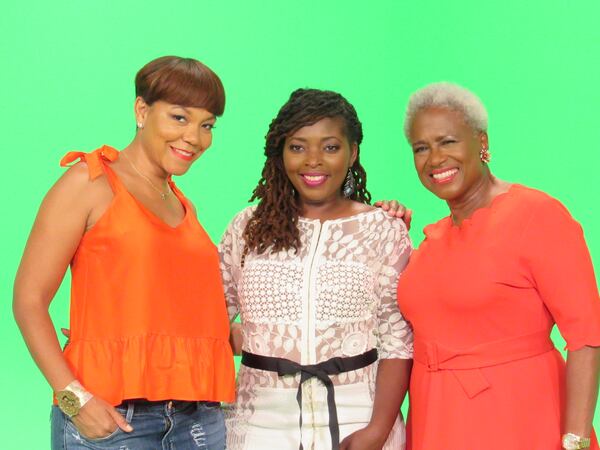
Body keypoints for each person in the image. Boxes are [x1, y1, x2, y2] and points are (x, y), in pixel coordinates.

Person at [13, 56, 235, 449]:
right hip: (115, 419)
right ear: (142, 110)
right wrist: (74, 399)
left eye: (207, 125)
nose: (195, 138)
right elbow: (28, 300)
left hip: (197, 417)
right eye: (179, 118)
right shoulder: (90, 182)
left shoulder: (182, 204)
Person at [396, 82, 600, 450]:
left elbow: (586, 337)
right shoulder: (428, 242)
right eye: (421, 148)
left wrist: (577, 440)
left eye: (448, 142)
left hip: (518, 419)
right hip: (435, 419)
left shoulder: (535, 215)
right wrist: (382, 229)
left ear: (482, 143)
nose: (434, 159)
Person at [220, 88, 414, 450]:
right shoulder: (246, 228)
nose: (313, 160)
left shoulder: (383, 229)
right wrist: (258, 337)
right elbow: (211, 320)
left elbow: (397, 342)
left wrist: (378, 429)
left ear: (352, 151)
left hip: (358, 415)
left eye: (330, 147)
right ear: (280, 154)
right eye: (297, 147)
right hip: (258, 419)